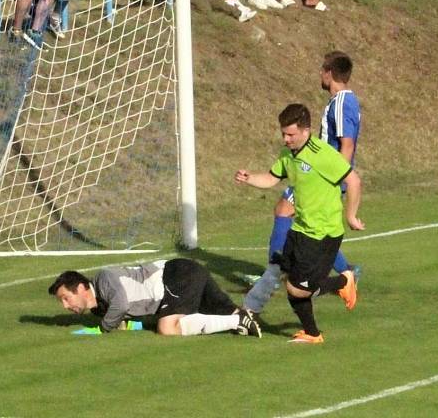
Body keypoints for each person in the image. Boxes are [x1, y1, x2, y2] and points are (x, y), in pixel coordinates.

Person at [243, 51, 361, 316]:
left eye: (322, 69)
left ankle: (277, 273)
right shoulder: (340, 101)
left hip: (320, 174)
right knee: (302, 224)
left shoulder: (342, 102)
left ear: (330, 73)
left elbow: (347, 144)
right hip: (315, 171)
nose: (320, 74)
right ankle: (337, 273)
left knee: (288, 213)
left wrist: (336, 177)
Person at [235, 103, 364, 344]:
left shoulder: (322, 154)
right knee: (288, 278)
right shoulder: (288, 155)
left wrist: (351, 216)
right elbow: (271, 178)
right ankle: (313, 334)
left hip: (323, 234)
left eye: (290, 134)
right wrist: (249, 178)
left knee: (299, 289)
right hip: (301, 229)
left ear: (306, 131)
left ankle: (344, 281)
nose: (286, 139)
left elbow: (353, 181)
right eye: (283, 133)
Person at [48, 258, 262, 337]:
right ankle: (243, 318)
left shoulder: (104, 279)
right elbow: (127, 321)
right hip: (183, 274)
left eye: (66, 298)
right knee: (226, 309)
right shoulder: (99, 306)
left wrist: (102, 329)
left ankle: (238, 321)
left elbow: (121, 304)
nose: (66, 305)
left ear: (82, 287)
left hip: (176, 276)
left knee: (167, 328)